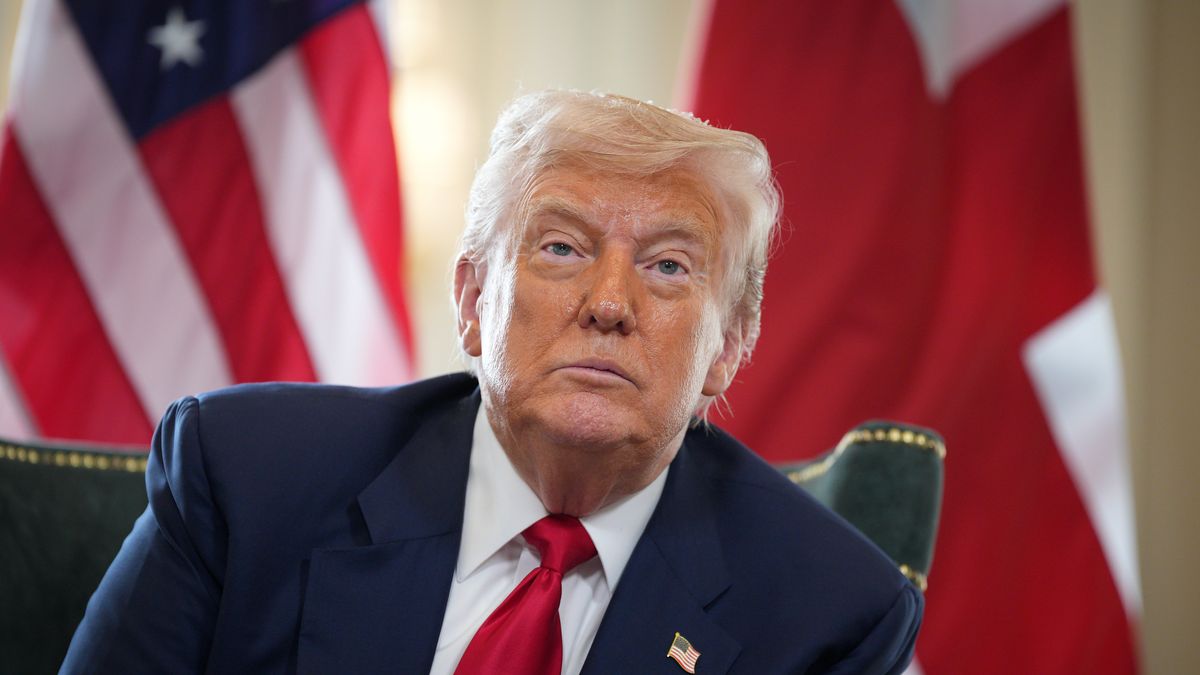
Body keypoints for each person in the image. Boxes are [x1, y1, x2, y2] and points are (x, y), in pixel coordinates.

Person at [62, 90, 921, 674]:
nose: (609, 302)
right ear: (474, 300)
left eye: (667, 266)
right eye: (562, 247)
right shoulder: (246, 478)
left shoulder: (831, 614)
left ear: (729, 347)